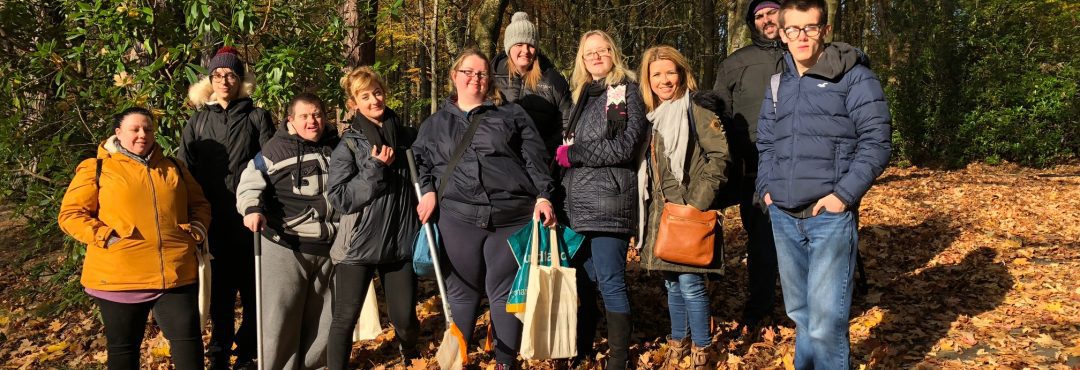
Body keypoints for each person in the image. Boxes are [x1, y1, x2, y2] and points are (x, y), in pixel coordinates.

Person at [757, 1, 891, 368]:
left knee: (827, 320)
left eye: (810, 28)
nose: (801, 37)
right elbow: (766, 142)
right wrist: (766, 190)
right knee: (801, 313)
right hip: (783, 214)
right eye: (793, 30)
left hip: (828, 217)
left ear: (825, 30)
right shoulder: (777, 82)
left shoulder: (854, 76)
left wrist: (842, 196)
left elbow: (876, 141)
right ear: (782, 35)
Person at [412, 49, 556, 370]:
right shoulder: (434, 125)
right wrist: (428, 191)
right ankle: (458, 362)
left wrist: (544, 196)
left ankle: (506, 362)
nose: (475, 79)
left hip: (511, 216)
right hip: (457, 218)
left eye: (481, 74)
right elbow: (420, 164)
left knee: (503, 295)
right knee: (462, 295)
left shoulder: (512, 115)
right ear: (455, 76)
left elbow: (535, 158)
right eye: (468, 72)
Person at [58, 108, 212, 370]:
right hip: (120, 278)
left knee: (190, 347)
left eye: (148, 129)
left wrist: (196, 228)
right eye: (135, 129)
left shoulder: (174, 166)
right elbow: (71, 215)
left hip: (174, 273)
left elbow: (199, 204)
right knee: (123, 351)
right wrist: (105, 237)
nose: (143, 135)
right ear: (118, 133)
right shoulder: (97, 168)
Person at [178, 46, 275, 370]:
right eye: (218, 74)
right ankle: (218, 352)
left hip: (250, 219)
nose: (224, 80)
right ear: (210, 80)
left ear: (240, 79)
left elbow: (271, 164)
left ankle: (247, 351)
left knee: (253, 291)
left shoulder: (257, 117)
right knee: (219, 294)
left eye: (231, 74)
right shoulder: (198, 121)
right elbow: (184, 169)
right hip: (213, 221)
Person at [556, 30, 648, 370]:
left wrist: (574, 152)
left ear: (614, 53)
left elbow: (621, 147)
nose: (595, 57)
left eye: (602, 50)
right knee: (585, 279)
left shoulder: (621, 92)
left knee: (610, 280)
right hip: (576, 205)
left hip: (609, 200)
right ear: (581, 59)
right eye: (588, 52)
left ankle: (620, 359)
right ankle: (581, 346)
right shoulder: (582, 95)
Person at [637, 46, 730, 370]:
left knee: (690, 284)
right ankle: (678, 344)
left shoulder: (697, 108)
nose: (664, 79)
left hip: (689, 211)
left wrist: (696, 203)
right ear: (648, 80)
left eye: (669, 72)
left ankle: (702, 351)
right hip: (663, 213)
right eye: (656, 74)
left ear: (682, 73)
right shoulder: (654, 115)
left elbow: (719, 157)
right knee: (671, 283)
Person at [234, 93, 339, 369]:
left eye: (316, 114)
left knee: (324, 320)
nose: (312, 121)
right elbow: (248, 184)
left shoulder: (337, 147)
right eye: (304, 116)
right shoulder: (274, 149)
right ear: (290, 119)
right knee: (279, 319)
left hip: (329, 246)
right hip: (285, 245)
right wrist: (251, 209)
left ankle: (313, 366)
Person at [326, 67, 421, 369]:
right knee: (344, 318)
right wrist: (375, 169)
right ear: (353, 103)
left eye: (377, 92)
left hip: (400, 241)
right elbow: (339, 197)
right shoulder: (350, 144)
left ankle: (411, 356)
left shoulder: (407, 136)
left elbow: (425, 177)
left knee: (405, 318)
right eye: (364, 96)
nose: (373, 100)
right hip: (359, 245)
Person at [710, 0, 784, 338]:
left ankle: (814, 309)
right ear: (752, 22)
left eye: (772, 11)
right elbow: (719, 118)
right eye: (760, 16)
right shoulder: (735, 63)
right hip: (755, 170)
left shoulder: (810, 53)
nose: (767, 19)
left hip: (807, 167)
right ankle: (760, 312)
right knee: (763, 246)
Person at [492, 11, 572, 155]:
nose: (526, 50)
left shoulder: (553, 80)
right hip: (500, 163)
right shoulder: (492, 77)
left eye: (531, 45)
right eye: (519, 44)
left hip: (540, 161)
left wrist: (544, 152)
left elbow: (566, 125)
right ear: (509, 47)